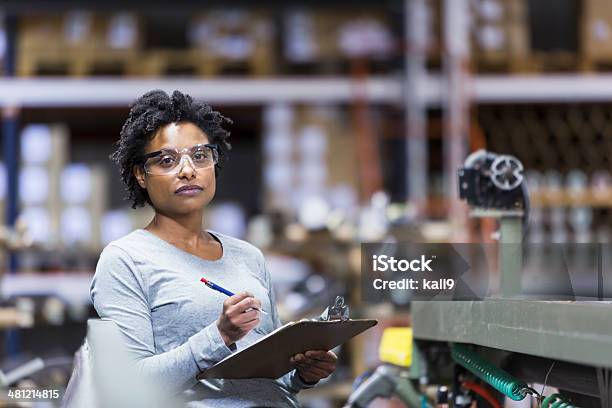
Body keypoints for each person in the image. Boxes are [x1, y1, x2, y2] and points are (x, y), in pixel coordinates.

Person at [90, 90, 337, 407]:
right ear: (140, 174)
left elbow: (268, 372)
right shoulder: (126, 260)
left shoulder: (248, 256)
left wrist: (302, 373)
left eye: (200, 156)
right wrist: (218, 336)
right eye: (167, 160)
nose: (188, 170)